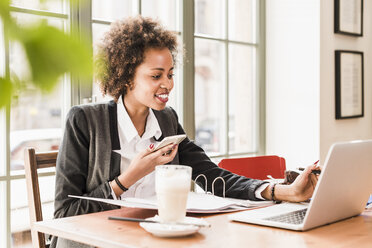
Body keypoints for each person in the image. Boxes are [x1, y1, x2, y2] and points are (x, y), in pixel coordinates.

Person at [52, 16, 319, 247]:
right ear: (125, 76)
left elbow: (211, 175)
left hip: (154, 240)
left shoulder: (166, 120)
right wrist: (127, 178)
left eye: (170, 74)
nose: (167, 84)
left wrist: (283, 191)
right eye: (156, 76)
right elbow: (66, 213)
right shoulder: (84, 120)